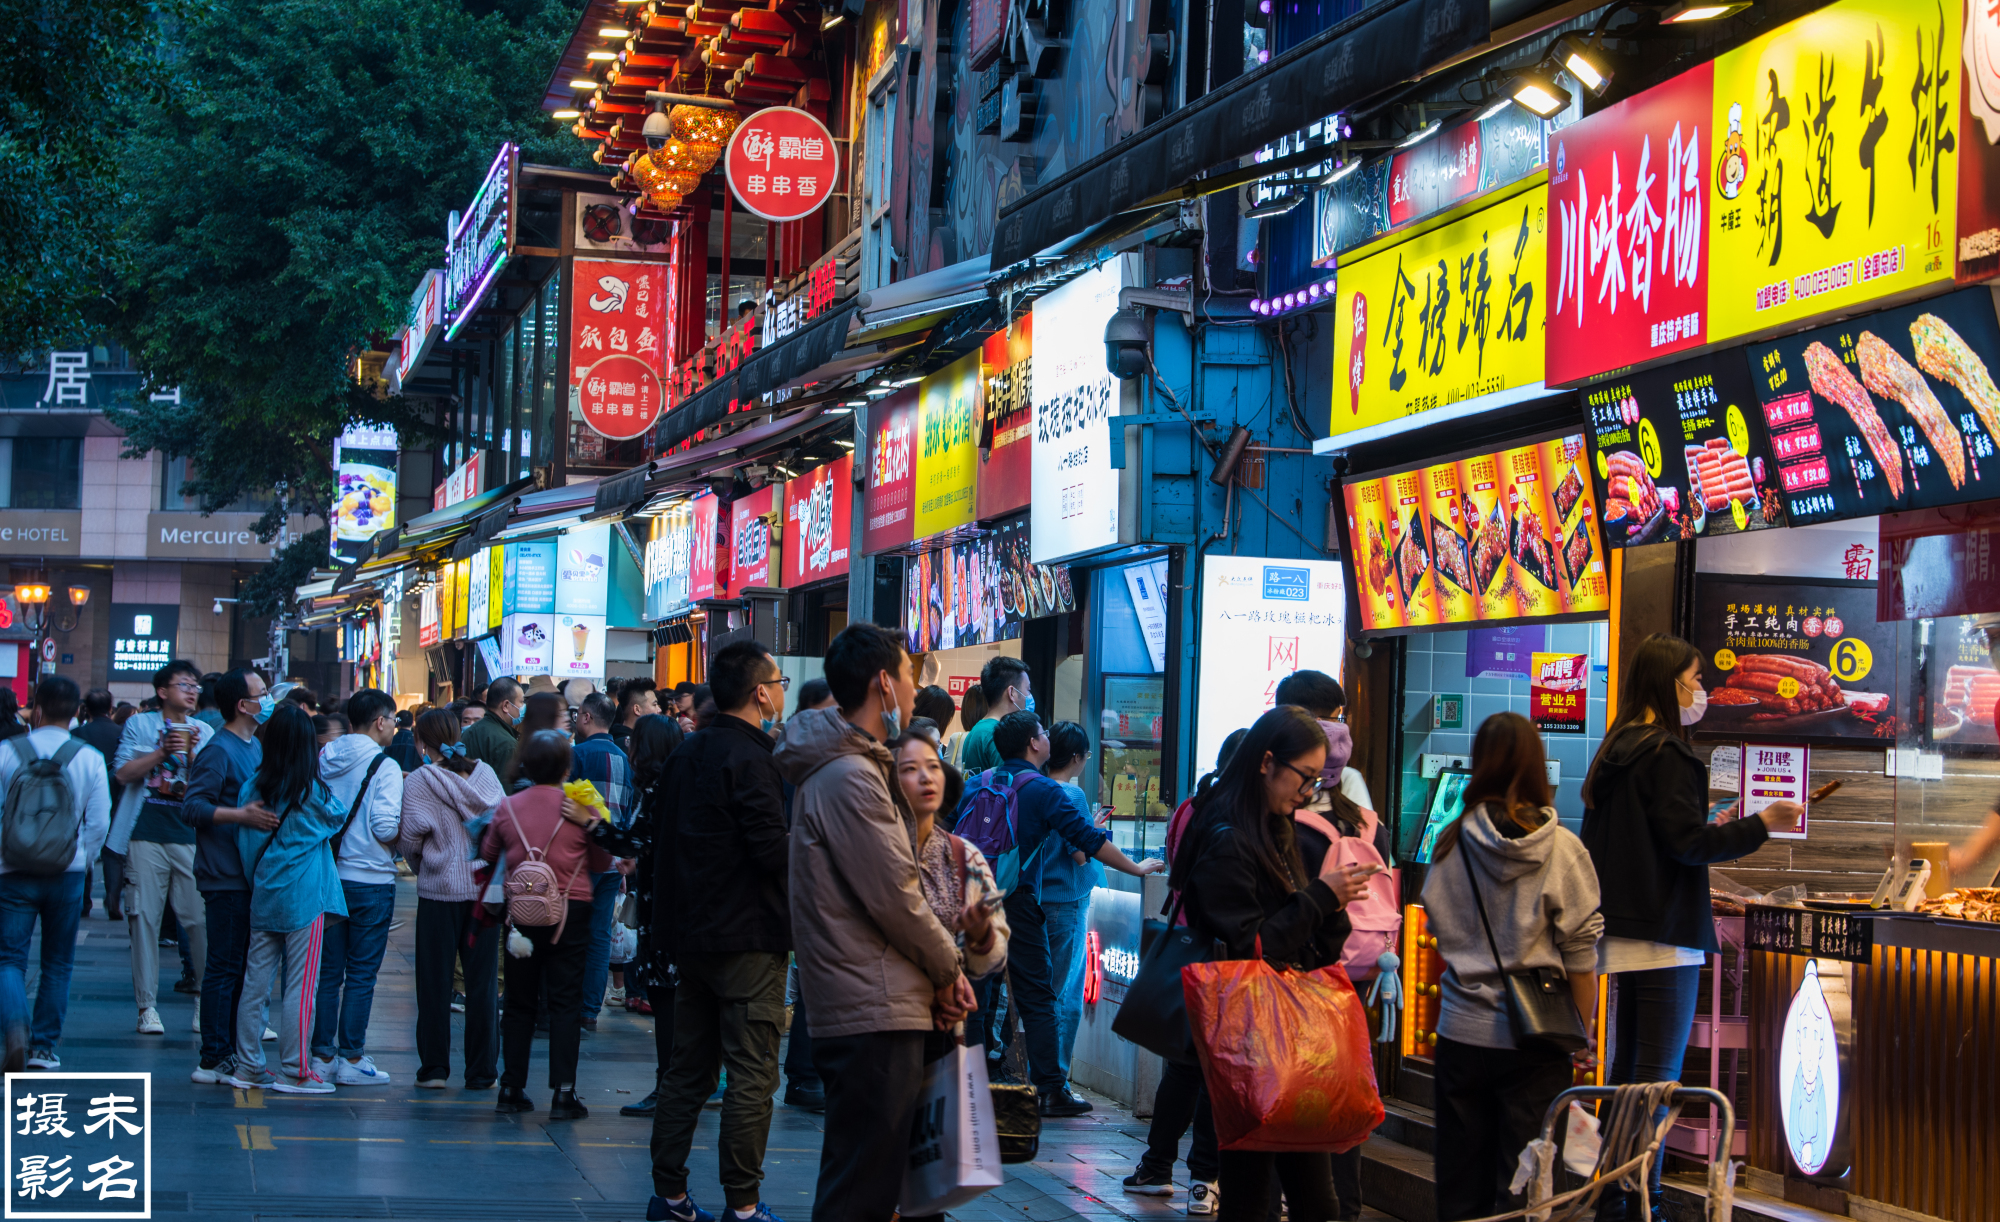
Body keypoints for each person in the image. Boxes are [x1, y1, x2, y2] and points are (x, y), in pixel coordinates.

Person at [1580, 634, 1799, 1222]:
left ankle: (1615, 1201)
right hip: (1665, 937)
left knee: (1628, 1079)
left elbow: (1652, 836)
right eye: (1696, 679)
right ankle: (1633, 1207)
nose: (1701, 689)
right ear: (1669, 682)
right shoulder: (1668, 754)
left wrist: (1711, 821)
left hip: (1621, 931)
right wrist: (1762, 824)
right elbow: (1687, 846)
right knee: (1655, 1084)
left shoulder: (1617, 749)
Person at [776, 623, 971, 1220]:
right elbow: (897, 895)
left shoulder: (854, 766)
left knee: (871, 1178)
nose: (915, 690)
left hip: (873, 998)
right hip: (871, 1004)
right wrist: (947, 967)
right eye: (910, 676)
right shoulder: (851, 777)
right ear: (884, 685)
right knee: (863, 1186)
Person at [1172, 706, 1373, 1222]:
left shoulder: (1275, 827)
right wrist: (1318, 900)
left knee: (1302, 1195)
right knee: (1256, 1194)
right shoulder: (1226, 838)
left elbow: (1306, 941)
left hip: (1281, 1038)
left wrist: (1330, 904)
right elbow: (1249, 946)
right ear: (1266, 763)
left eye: (1317, 781)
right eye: (1305, 778)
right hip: (1245, 1038)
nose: (1308, 794)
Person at [1422, 713, 1603, 1222]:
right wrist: (1580, 1034)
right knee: (1526, 1182)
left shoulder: (1449, 844)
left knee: (1459, 1178)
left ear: (1480, 766)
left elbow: (1439, 925)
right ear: (1536, 764)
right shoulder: (1563, 850)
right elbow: (1581, 956)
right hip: (1536, 1039)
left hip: (1460, 1032)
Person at [648, 641, 792, 1222]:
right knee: (752, 1073)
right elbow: (770, 851)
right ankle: (744, 1206)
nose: (781, 690)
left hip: (691, 936)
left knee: (689, 1069)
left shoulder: (689, 751)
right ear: (760, 692)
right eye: (777, 681)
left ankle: (671, 1196)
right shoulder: (754, 759)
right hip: (748, 937)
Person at [968, 709, 1164, 1116]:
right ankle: (1051, 1088)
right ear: (1034, 744)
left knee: (979, 993)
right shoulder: (1044, 790)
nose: (1047, 737)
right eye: (1042, 731)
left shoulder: (978, 783)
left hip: (973, 900)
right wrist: (1135, 867)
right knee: (1039, 995)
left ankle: (969, 1078)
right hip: (1017, 902)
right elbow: (1087, 841)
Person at [1125, 728, 1245, 1211]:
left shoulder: (1190, 806)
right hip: (1225, 959)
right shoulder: (1241, 815)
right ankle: (1204, 1181)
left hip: (1186, 949)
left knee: (1184, 1066)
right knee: (1218, 1071)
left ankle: (1156, 1166)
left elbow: (1177, 873)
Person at [481, 730, 612, 1118]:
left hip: (521, 914)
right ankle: (564, 1093)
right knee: (565, 1003)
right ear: (567, 768)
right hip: (571, 911)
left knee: (519, 1002)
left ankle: (511, 1087)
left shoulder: (509, 805)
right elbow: (603, 863)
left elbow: (490, 851)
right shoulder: (580, 807)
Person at [225, 703, 348, 1094]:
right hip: (305, 900)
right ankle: (297, 1070)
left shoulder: (251, 788)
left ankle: (248, 1066)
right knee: (301, 986)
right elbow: (338, 815)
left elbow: (246, 849)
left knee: (255, 984)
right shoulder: (313, 793)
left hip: (264, 894)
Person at [0, 676, 112, 1072]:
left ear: (37, 707)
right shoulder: (88, 757)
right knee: (58, 962)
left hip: (11, 871)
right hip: (68, 872)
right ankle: (43, 1049)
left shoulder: (6, 753)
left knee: (9, 959)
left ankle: (14, 1026)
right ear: (77, 712)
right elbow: (99, 823)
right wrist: (83, 858)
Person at [181, 668, 283, 1084]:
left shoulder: (253, 748)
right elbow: (192, 808)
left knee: (239, 967)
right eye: (262, 693)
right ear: (243, 705)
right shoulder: (218, 750)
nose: (268, 699)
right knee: (224, 967)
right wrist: (240, 815)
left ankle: (229, 1050)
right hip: (223, 876)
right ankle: (213, 1057)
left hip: (246, 875)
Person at [398, 708, 507, 1090]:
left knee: (434, 981)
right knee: (482, 985)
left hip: (438, 892)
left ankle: (433, 1070)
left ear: (422, 743)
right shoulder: (487, 776)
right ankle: (482, 1072)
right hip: (483, 894)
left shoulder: (419, 782)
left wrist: (425, 865)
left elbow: (409, 840)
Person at [110, 659, 217, 1035]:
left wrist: (192, 757)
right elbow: (123, 773)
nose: (191, 690)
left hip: (189, 836)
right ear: (162, 691)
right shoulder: (140, 724)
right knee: (144, 920)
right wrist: (161, 752)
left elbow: (213, 787)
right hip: (144, 832)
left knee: (199, 920)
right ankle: (147, 1007)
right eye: (183, 684)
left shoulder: (204, 729)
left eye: (195, 686)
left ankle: (207, 1001)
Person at [312, 689, 406, 1088]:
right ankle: (352, 1056)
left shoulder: (324, 757)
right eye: (394, 720)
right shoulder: (384, 766)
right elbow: (384, 827)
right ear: (380, 721)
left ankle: (320, 1057)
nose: (395, 728)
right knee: (362, 975)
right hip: (370, 881)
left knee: (328, 973)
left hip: (328, 876)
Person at [615, 713, 684, 1117]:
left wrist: (589, 821)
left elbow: (633, 838)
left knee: (666, 997)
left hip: (663, 911)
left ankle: (668, 1086)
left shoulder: (656, 790)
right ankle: (674, 1084)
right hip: (671, 904)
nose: (630, 749)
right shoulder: (677, 786)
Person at [1036, 720, 1102, 1092]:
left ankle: (1039, 1074)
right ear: (1076, 757)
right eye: (1086, 756)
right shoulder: (1071, 795)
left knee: (1044, 990)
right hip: (1067, 902)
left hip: (1038, 901)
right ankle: (1054, 1081)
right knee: (1064, 996)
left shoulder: (1038, 788)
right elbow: (1079, 855)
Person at [570, 691, 633, 1034]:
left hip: (579, 861)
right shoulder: (625, 759)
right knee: (598, 937)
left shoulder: (576, 755)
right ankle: (590, 1009)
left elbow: (567, 809)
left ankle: (568, 1003)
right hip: (613, 862)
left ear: (585, 717)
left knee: (571, 933)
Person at [1273, 670, 1373, 809]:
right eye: (1337, 718)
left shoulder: (1268, 772)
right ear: (1317, 724)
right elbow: (1367, 828)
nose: (1307, 791)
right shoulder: (1347, 778)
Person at [74, 688, 126, 920]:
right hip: (116, 795)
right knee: (113, 851)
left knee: (83, 842)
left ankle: (83, 900)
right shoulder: (121, 732)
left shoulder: (77, 733)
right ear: (110, 708)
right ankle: (113, 899)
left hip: (83, 796)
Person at [956, 656, 1031, 774]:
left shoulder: (977, 730)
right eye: (1028, 690)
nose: (1029, 696)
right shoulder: (998, 734)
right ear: (1012, 693)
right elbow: (1009, 783)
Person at [506, 692, 570, 789]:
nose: (567, 719)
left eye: (566, 713)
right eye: (560, 714)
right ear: (545, 719)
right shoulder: (535, 764)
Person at [464, 677, 523, 776]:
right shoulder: (507, 744)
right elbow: (506, 789)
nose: (523, 706)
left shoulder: (468, 733)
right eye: (521, 702)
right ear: (506, 706)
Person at [614, 679, 660, 750]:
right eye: (654, 704)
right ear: (637, 709)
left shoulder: (642, 740)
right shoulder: (627, 747)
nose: (659, 710)